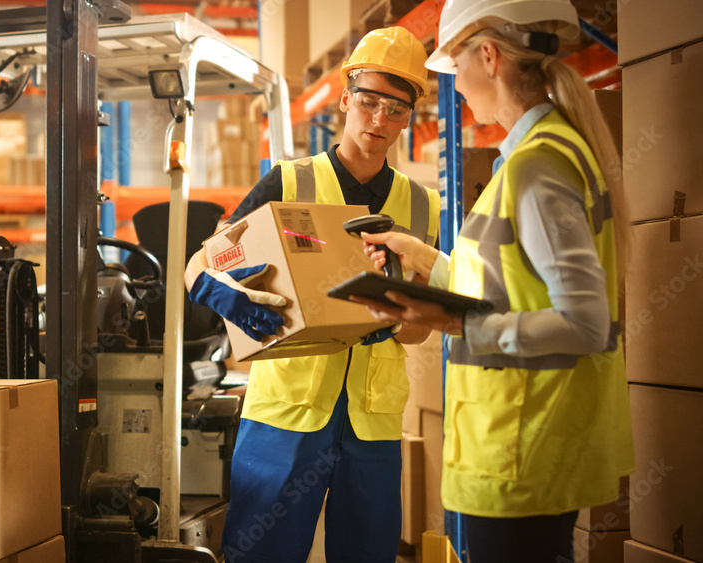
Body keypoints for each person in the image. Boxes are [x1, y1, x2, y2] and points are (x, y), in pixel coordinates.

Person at [357, 1, 634, 561]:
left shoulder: (538, 166)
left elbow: (584, 322)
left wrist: (455, 321)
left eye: (455, 65)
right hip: (521, 442)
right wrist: (420, 257)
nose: (454, 85)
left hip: (521, 449)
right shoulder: (541, 154)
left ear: (488, 57)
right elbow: (508, 283)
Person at [184, 27, 440, 562]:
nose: (379, 121)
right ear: (346, 98)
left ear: (409, 116)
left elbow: (419, 331)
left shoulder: (421, 206)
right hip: (285, 417)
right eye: (368, 102)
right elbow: (199, 263)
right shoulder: (288, 182)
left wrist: (393, 316)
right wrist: (223, 293)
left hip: (371, 422)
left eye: (396, 110)